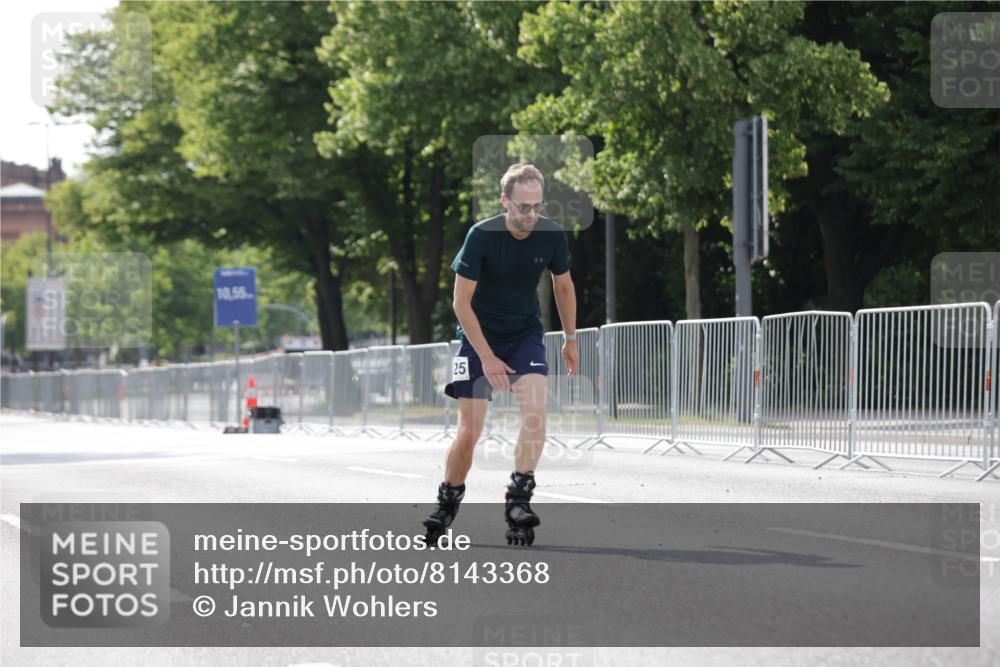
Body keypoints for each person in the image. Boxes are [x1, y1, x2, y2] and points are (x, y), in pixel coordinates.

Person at [423, 163, 577, 547]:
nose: (531, 215)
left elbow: (563, 287)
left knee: (536, 413)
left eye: (537, 206)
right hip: (477, 338)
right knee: (470, 430)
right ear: (505, 201)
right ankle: (448, 501)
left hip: (524, 335)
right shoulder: (481, 236)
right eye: (523, 207)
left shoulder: (551, 234)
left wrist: (571, 338)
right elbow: (461, 302)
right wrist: (487, 358)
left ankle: (518, 497)